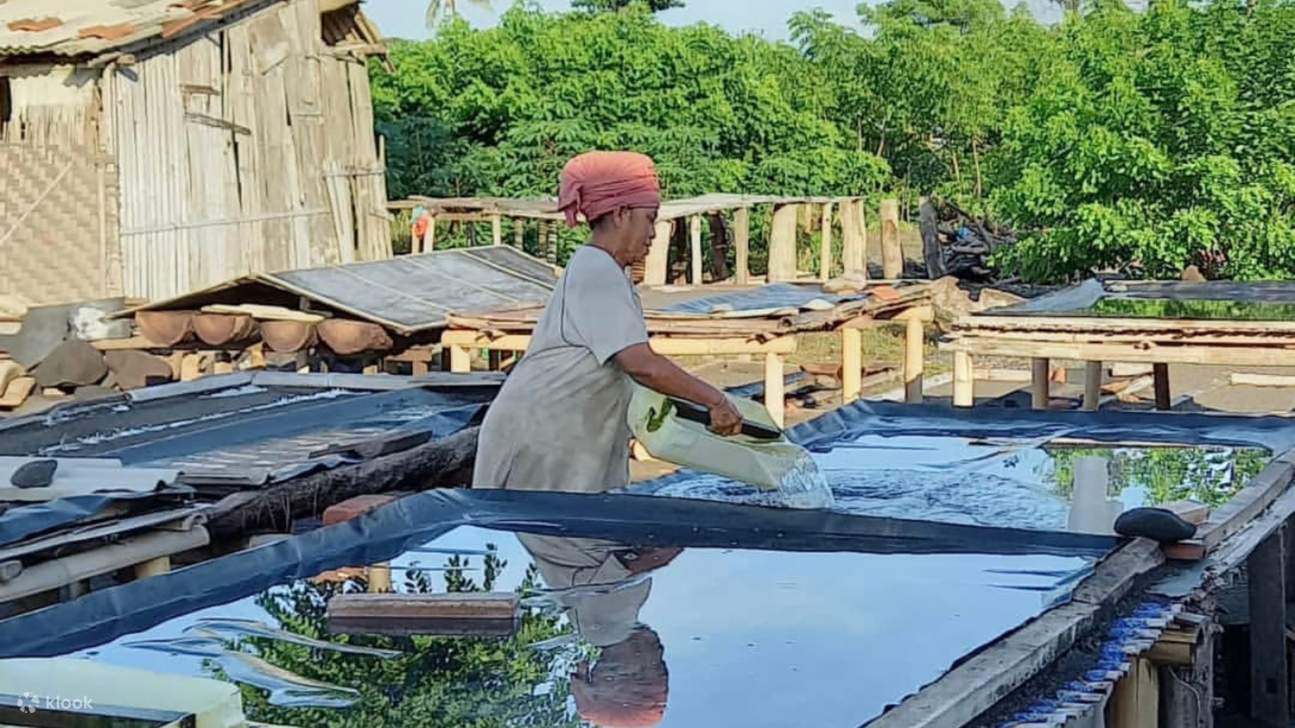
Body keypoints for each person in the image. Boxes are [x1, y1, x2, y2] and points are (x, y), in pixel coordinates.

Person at [473, 151, 742, 493]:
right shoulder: (596, 272)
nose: (653, 233)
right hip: (539, 440)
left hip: (558, 437)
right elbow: (641, 365)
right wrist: (714, 400)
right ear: (620, 214)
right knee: (548, 536)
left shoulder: (607, 272)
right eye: (649, 219)